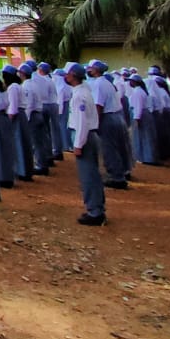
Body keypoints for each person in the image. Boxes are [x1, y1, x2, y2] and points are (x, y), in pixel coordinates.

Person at [65, 62, 106, 225]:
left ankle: (95, 211)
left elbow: (82, 122)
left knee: (88, 175)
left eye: (68, 74)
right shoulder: (83, 91)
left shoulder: (80, 95)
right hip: (87, 135)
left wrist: (78, 144)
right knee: (91, 174)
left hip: (85, 136)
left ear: (73, 76)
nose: (65, 77)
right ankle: (96, 208)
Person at [86, 59, 130, 189]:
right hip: (117, 116)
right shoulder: (107, 82)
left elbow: (98, 105)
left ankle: (116, 177)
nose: (88, 70)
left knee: (109, 148)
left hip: (107, 118)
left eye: (90, 68)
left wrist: (96, 123)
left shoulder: (98, 84)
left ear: (95, 70)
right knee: (119, 147)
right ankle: (122, 172)